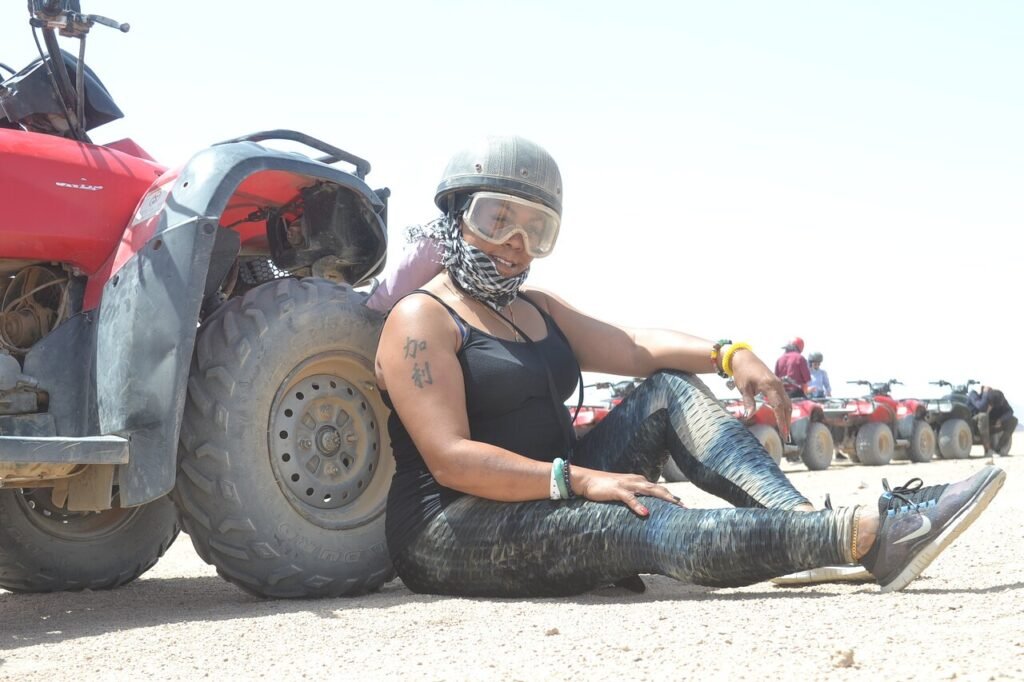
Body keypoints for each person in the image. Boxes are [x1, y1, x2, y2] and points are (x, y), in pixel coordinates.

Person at [374, 135, 1006, 597]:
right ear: (455, 216)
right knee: (636, 517)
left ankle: (806, 531)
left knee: (669, 389)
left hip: (557, 488)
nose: (515, 244)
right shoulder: (421, 320)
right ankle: (864, 537)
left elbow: (632, 347)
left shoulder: (534, 307)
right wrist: (584, 482)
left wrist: (728, 353)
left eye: (536, 229)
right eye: (497, 219)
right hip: (451, 528)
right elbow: (451, 459)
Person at [969, 386, 1016, 457]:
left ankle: (999, 448)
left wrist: (1000, 420)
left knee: (1013, 420)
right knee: (983, 416)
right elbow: (981, 407)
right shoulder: (974, 395)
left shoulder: (998, 398)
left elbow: (1010, 411)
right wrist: (985, 395)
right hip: (974, 424)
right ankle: (988, 450)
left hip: (989, 424)